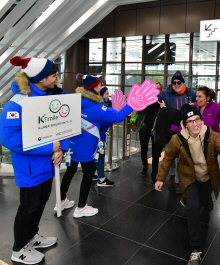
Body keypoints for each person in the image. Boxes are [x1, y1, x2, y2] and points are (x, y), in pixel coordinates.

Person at [0, 56, 69, 264]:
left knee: (41, 203)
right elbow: (9, 138)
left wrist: (61, 149)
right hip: (29, 167)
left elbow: (62, 124)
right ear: (40, 79)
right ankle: (19, 249)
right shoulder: (17, 103)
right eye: (53, 74)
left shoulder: (48, 97)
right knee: (28, 206)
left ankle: (32, 236)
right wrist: (50, 147)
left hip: (48, 164)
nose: (57, 77)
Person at [155, 104, 220, 265]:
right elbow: (168, 158)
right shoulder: (177, 139)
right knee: (193, 206)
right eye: (190, 121)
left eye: (197, 120)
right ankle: (195, 248)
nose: (195, 125)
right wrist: (160, 178)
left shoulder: (211, 135)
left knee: (205, 201)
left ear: (201, 120)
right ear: (185, 124)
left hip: (207, 176)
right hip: (189, 177)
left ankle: (207, 200)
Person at [59, 74, 133, 218]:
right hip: (87, 148)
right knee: (88, 175)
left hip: (72, 145)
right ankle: (81, 207)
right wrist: (130, 105)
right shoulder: (97, 107)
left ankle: (61, 201)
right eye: (100, 84)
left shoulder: (76, 101)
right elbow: (117, 117)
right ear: (95, 87)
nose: (102, 86)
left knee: (70, 173)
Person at [157, 71, 196, 193]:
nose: (176, 84)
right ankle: (173, 175)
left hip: (185, 129)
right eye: (174, 82)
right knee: (171, 154)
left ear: (182, 82)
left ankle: (179, 180)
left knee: (182, 155)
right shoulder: (165, 93)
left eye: (179, 82)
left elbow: (198, 105)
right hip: (170, 129)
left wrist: (193, 106)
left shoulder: (190, 93)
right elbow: (154, 100)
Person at [136, 81, 162, 181]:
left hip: (156, 129)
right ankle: (145, 166)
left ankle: (154, 173)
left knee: (155, 152)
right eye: (155, 88)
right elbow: (137, 105)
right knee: (144, 149)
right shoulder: (146, 99)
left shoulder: (162, 100)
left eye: (158, 88)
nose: (156, 90)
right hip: (144, 128)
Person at [94, 86, 115, 187]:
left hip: (99, 133)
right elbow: (104, 121)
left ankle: (94, 174)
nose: (108, 95)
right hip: (99, 134)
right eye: (106, 93)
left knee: (97, 154)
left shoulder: (104, 105)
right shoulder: (101, 107)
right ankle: (101, 179)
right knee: (101, 155)